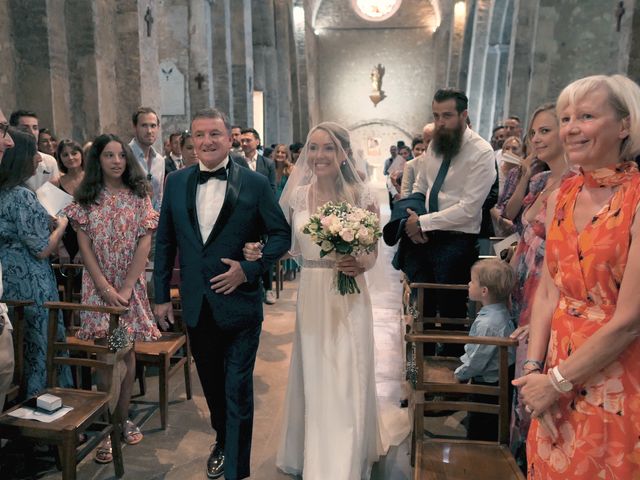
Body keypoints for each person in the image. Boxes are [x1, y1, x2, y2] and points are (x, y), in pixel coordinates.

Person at [513, 74, 640, 478]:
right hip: (553, 367)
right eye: (566, 118)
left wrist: (557, 382)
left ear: (625, 126)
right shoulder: (559, 198)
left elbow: (629, 322)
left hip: (614, 373)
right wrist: (534, 371)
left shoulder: (637, 200)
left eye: (585, 116)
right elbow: (548, 293)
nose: (571, 129)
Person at [153, 108, 290, 480]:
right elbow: (164, 241)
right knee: (212, 385)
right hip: (197, 303)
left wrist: (248, 268)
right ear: (191, 141)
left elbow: (280, 235)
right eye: (199, 135)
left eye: (215, 134)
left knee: (237, 387)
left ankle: (236, 469)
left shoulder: (255, 184)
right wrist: (161, 294)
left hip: (241, 304)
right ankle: (222, 438)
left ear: (230, 138)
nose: (207, 141)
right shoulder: (177, 181)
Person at [253, 122, 385, 479]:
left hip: (348, 293)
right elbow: (287, 246)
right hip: (311, 292)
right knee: (314, 372)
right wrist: (257, 252)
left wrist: (360, 262)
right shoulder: (298, 197)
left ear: (343, 153)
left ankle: (341, 461)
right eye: (313, 148)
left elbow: (373, 253)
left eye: (328, 148)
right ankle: (309, 450)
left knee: (344, 373)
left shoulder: (362, 196)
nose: (319, 155)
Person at [64, 134, 160, 462]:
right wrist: (105, 288)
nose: (117, 161)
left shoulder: (138, 195)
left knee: (125, 352)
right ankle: (107, 425)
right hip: (99, 287)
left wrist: (128, 287)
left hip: (127, 287)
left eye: (121, 155)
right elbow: (84, 246)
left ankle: (121, 419)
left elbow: (144, 243)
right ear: (98, 160)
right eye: (109, 155)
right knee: (108, 355)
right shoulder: (87, 198)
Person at [504, 103, 571, 470]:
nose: (537, 138)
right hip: (521, 285)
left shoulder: (579, 183)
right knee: (517, 374)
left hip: (546, 294)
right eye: (534, 133)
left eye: (545, 130)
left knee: (534, 382)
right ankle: (515, 455)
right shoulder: (542, 181)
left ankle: (528, 461)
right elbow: (519, 232)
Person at [404, 88, 496, 321]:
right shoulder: (436, 143)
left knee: (450, 312)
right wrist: (413, 220)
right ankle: (419, 356)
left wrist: (422, 222)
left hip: (456, 242)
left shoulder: (481, 152)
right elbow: (421, 184)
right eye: (436, 116)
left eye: (447, 116)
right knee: (420, 309)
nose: (440, 122)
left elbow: (469, 209)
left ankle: (448, 355)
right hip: (423, 237)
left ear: (464, 115)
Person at [0, 129, 72, 397]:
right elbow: (42, 248)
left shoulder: (5, 192)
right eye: (34, 154)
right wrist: (61, 226)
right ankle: (42, 402)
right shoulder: (21, 195)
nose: (40, 160)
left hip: (8, 276)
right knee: (40, 341)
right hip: (31, 279)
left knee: (21, 344)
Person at [454, 258, 515, 441]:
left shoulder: (489, 324)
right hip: (493, 375)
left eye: (472, 281)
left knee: (481, 426)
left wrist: (460, 374)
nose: (468, 284)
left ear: (484, 291)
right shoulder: (497, 313)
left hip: (489, 381)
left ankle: (476, 449)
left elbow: (478, 358)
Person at [240, 127, 278, 305]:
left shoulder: (267, 164)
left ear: (257, 142)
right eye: (243, 140)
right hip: (243, 213)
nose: (245, 143)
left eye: (248, 140)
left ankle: (268, 288)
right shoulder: (236, 161)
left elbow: (271, 189)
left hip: (261, 214)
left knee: (264, 251)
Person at [129, 106, 164, 211]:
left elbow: (159, 197)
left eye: (153, 126)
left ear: (158, 128)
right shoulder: (124, 155)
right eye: (144, 125)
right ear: (135, 127)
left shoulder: (160, 160)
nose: (149, 131)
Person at [56, 139, 85, 260]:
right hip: (66, 240)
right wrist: (60, 247)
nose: (70, 157)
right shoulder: (56, 183)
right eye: (65, 155)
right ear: (60, 158)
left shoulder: (94, 180)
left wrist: (84, 250)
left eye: (74, 153)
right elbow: (54, 217)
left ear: (81, 154)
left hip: (92, 239)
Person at [401, 123, 434, 198]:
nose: (431, 144)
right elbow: (406, 191)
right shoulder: (410, 164)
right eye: (428, 141)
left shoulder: (441, 160)